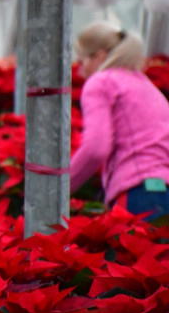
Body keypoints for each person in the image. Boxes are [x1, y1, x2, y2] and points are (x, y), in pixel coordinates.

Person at [70, 21, 169, 221]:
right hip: (163, 191)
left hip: (137, 195)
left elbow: (96, 149)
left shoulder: (101, 82)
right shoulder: (144, 84)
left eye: (82, 61)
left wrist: (59, 187)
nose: (80, 70)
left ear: (99, 56)